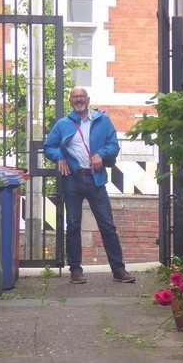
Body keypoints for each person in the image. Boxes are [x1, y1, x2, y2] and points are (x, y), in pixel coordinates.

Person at [43, 88, 136, 284]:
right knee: (74, 225)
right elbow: (49, 147)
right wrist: (59, 157)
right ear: (70, 101)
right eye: (75, 97)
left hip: (96, 179)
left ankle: (118, 270)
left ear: (88, 99)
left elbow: (114, 145)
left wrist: (101, 154)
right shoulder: (63, 124)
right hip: (73, 179)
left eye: (81, 97)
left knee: (107, 225)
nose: (79, 100)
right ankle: (75, 270)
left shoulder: (102, 120)